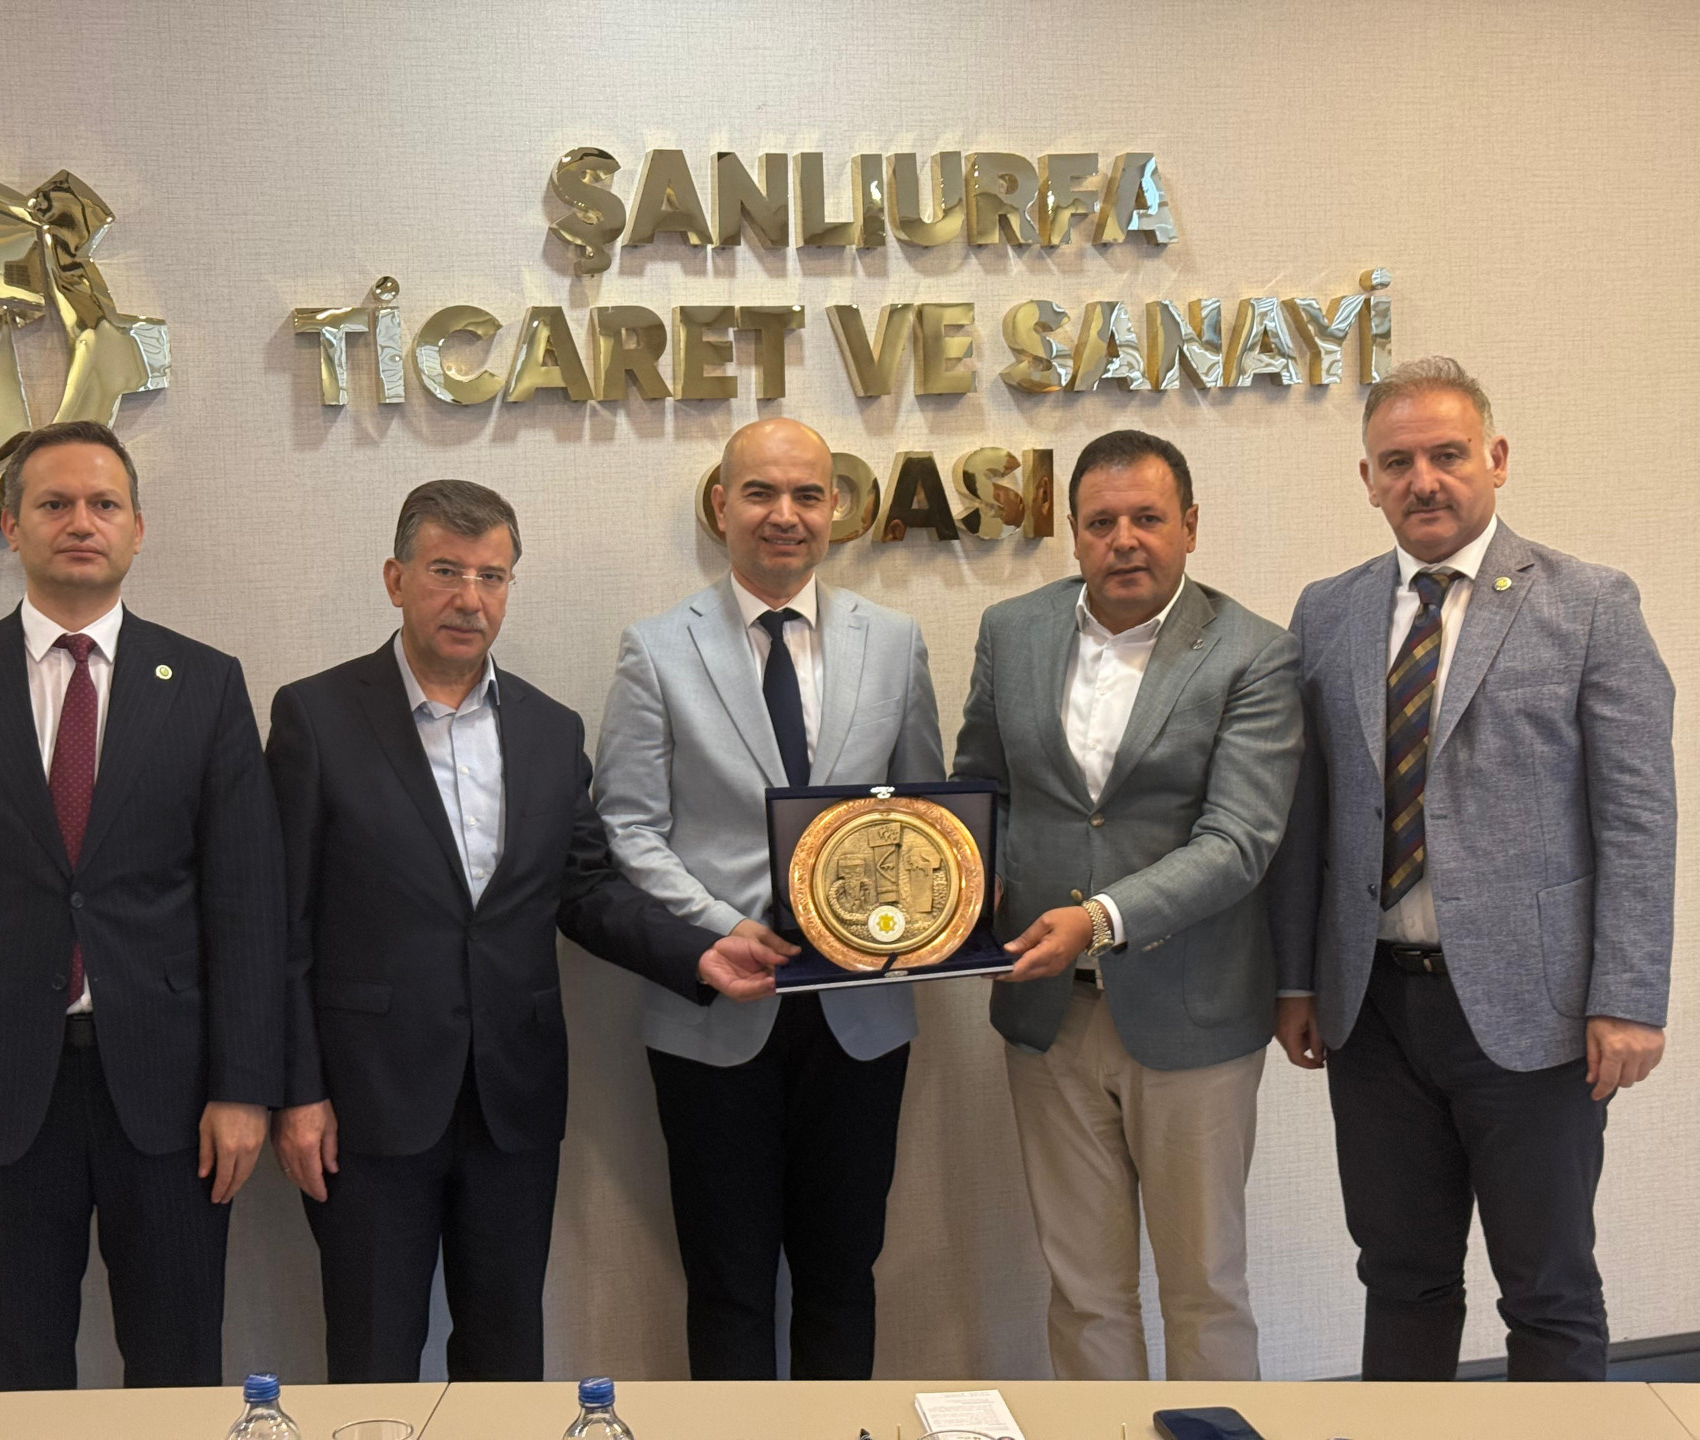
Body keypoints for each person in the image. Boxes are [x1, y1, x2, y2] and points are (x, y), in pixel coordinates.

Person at [265, 479, 785, 1383]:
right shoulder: (316, 717)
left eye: (492, 576)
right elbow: (284, 924)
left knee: (506, 1357)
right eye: (445, 571)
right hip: (368, 1098)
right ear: (395, 579)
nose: (470, 598)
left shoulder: (549, 728)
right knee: (373, 1354)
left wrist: (698, 951)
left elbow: (584, 889)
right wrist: (297, 1091)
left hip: (513, 1095)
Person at [1268, 356, 1675, 1381]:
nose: (1424, 481)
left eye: (1447, 455)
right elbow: (1306, 817)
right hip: (1373, 1015)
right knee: (1400, 1277)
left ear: (1495, 458)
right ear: (1367, 479)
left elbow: (1638, 818)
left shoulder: (1589, 604)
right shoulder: (1327, 612)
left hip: (1537, 1016)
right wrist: (1297, 981)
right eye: (1397, 462)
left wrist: (1628, 998)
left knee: (1548, 1290)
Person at [0, 420, 285, 1391]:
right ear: (11, 527)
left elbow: (247, 905)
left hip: (173, 1094)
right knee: (17, 1376)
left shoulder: (206, 684)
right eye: (54, 504)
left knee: (178, 1369)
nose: (81, 522)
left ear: (138, 528)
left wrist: (243, 1086)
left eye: (104, 504)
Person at [593, 416, 943, 1380]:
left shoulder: (894, 642)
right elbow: (627, 827)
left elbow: (928, 818)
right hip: (714, 1008)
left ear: (835, 509)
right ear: (721, 506)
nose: (784, 515)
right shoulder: (656, 648)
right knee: (728, 1283)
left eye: (806, 495)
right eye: (760, 493)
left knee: (843, 1276)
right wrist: (722, 927)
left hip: (862, 1014)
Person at [952, 429, 1301, 1380]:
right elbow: (982, 793)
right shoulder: (1012, 632)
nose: (1125, 540)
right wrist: (948, 905)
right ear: (1073, 534)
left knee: (1205, 1288)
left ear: (1190, 525)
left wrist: (1100, 920)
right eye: (1101, 522)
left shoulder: (1255, 655)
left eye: (1148, 518)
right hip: (1047, 1016)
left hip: (1192, 1014)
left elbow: (1240, 840)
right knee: (1084, 1291)